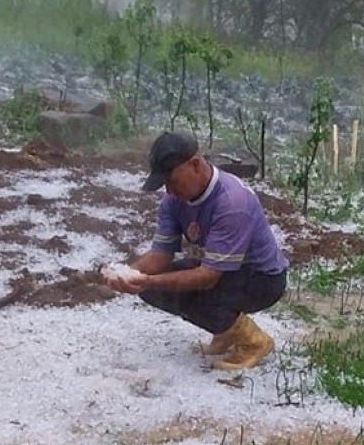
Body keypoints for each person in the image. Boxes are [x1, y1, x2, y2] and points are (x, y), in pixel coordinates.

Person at [102, 131, 289, 370]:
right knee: (152, 289)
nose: (168, 190)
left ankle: (254, 342)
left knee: (191, 295)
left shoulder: (232, 202)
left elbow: (208, 278)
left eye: (172, 180)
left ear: (196, 165)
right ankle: (227, 331)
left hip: (263, 279)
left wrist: (149, 280)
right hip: (226, 271)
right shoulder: (173, 201)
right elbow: (161, 254)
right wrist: (130, 273)